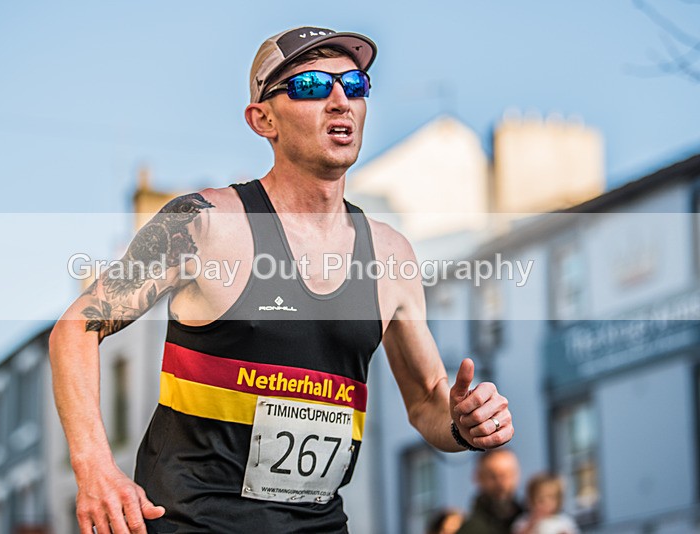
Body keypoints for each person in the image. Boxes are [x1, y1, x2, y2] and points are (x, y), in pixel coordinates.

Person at [49, 26, 514, 534]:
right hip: (190, 523)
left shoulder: (390, 254)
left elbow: (427, 401)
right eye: (312, 86)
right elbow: (76, 329)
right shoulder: (204, 223)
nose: (339, 100)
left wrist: (462, 423)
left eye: (354, 85)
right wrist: (92, 465)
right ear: (262, 118)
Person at [457, 449, 523, 534]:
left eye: (508, 475)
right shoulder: (470, 529)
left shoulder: (531, 520)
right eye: (493, 476)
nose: (501, 483)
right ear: (478, 477)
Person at [511, 474, 580, 534]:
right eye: (541, 499)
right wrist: (531, 525)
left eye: (551, 497)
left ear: (558, 500)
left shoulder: (563, 521)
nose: (546, 503)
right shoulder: (525, 521)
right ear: (530, 499)